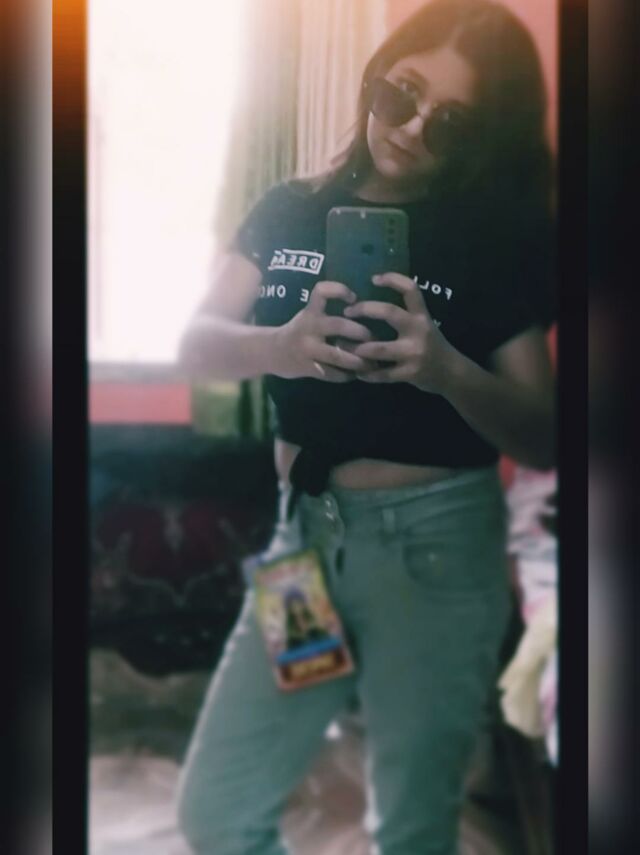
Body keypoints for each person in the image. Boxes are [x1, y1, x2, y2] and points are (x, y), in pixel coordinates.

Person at [176, 1, 556, 852]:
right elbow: (199, 343)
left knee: (412, 827)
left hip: (433, 556)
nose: (413, 128)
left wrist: (444, 368)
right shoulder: (289, 208)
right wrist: (281, 345)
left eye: (450, 123)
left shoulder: (491, 239)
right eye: (403, 94)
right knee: (218, 808)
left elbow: (543, 434)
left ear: (480, 140)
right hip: (302, 546)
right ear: (376, 76)